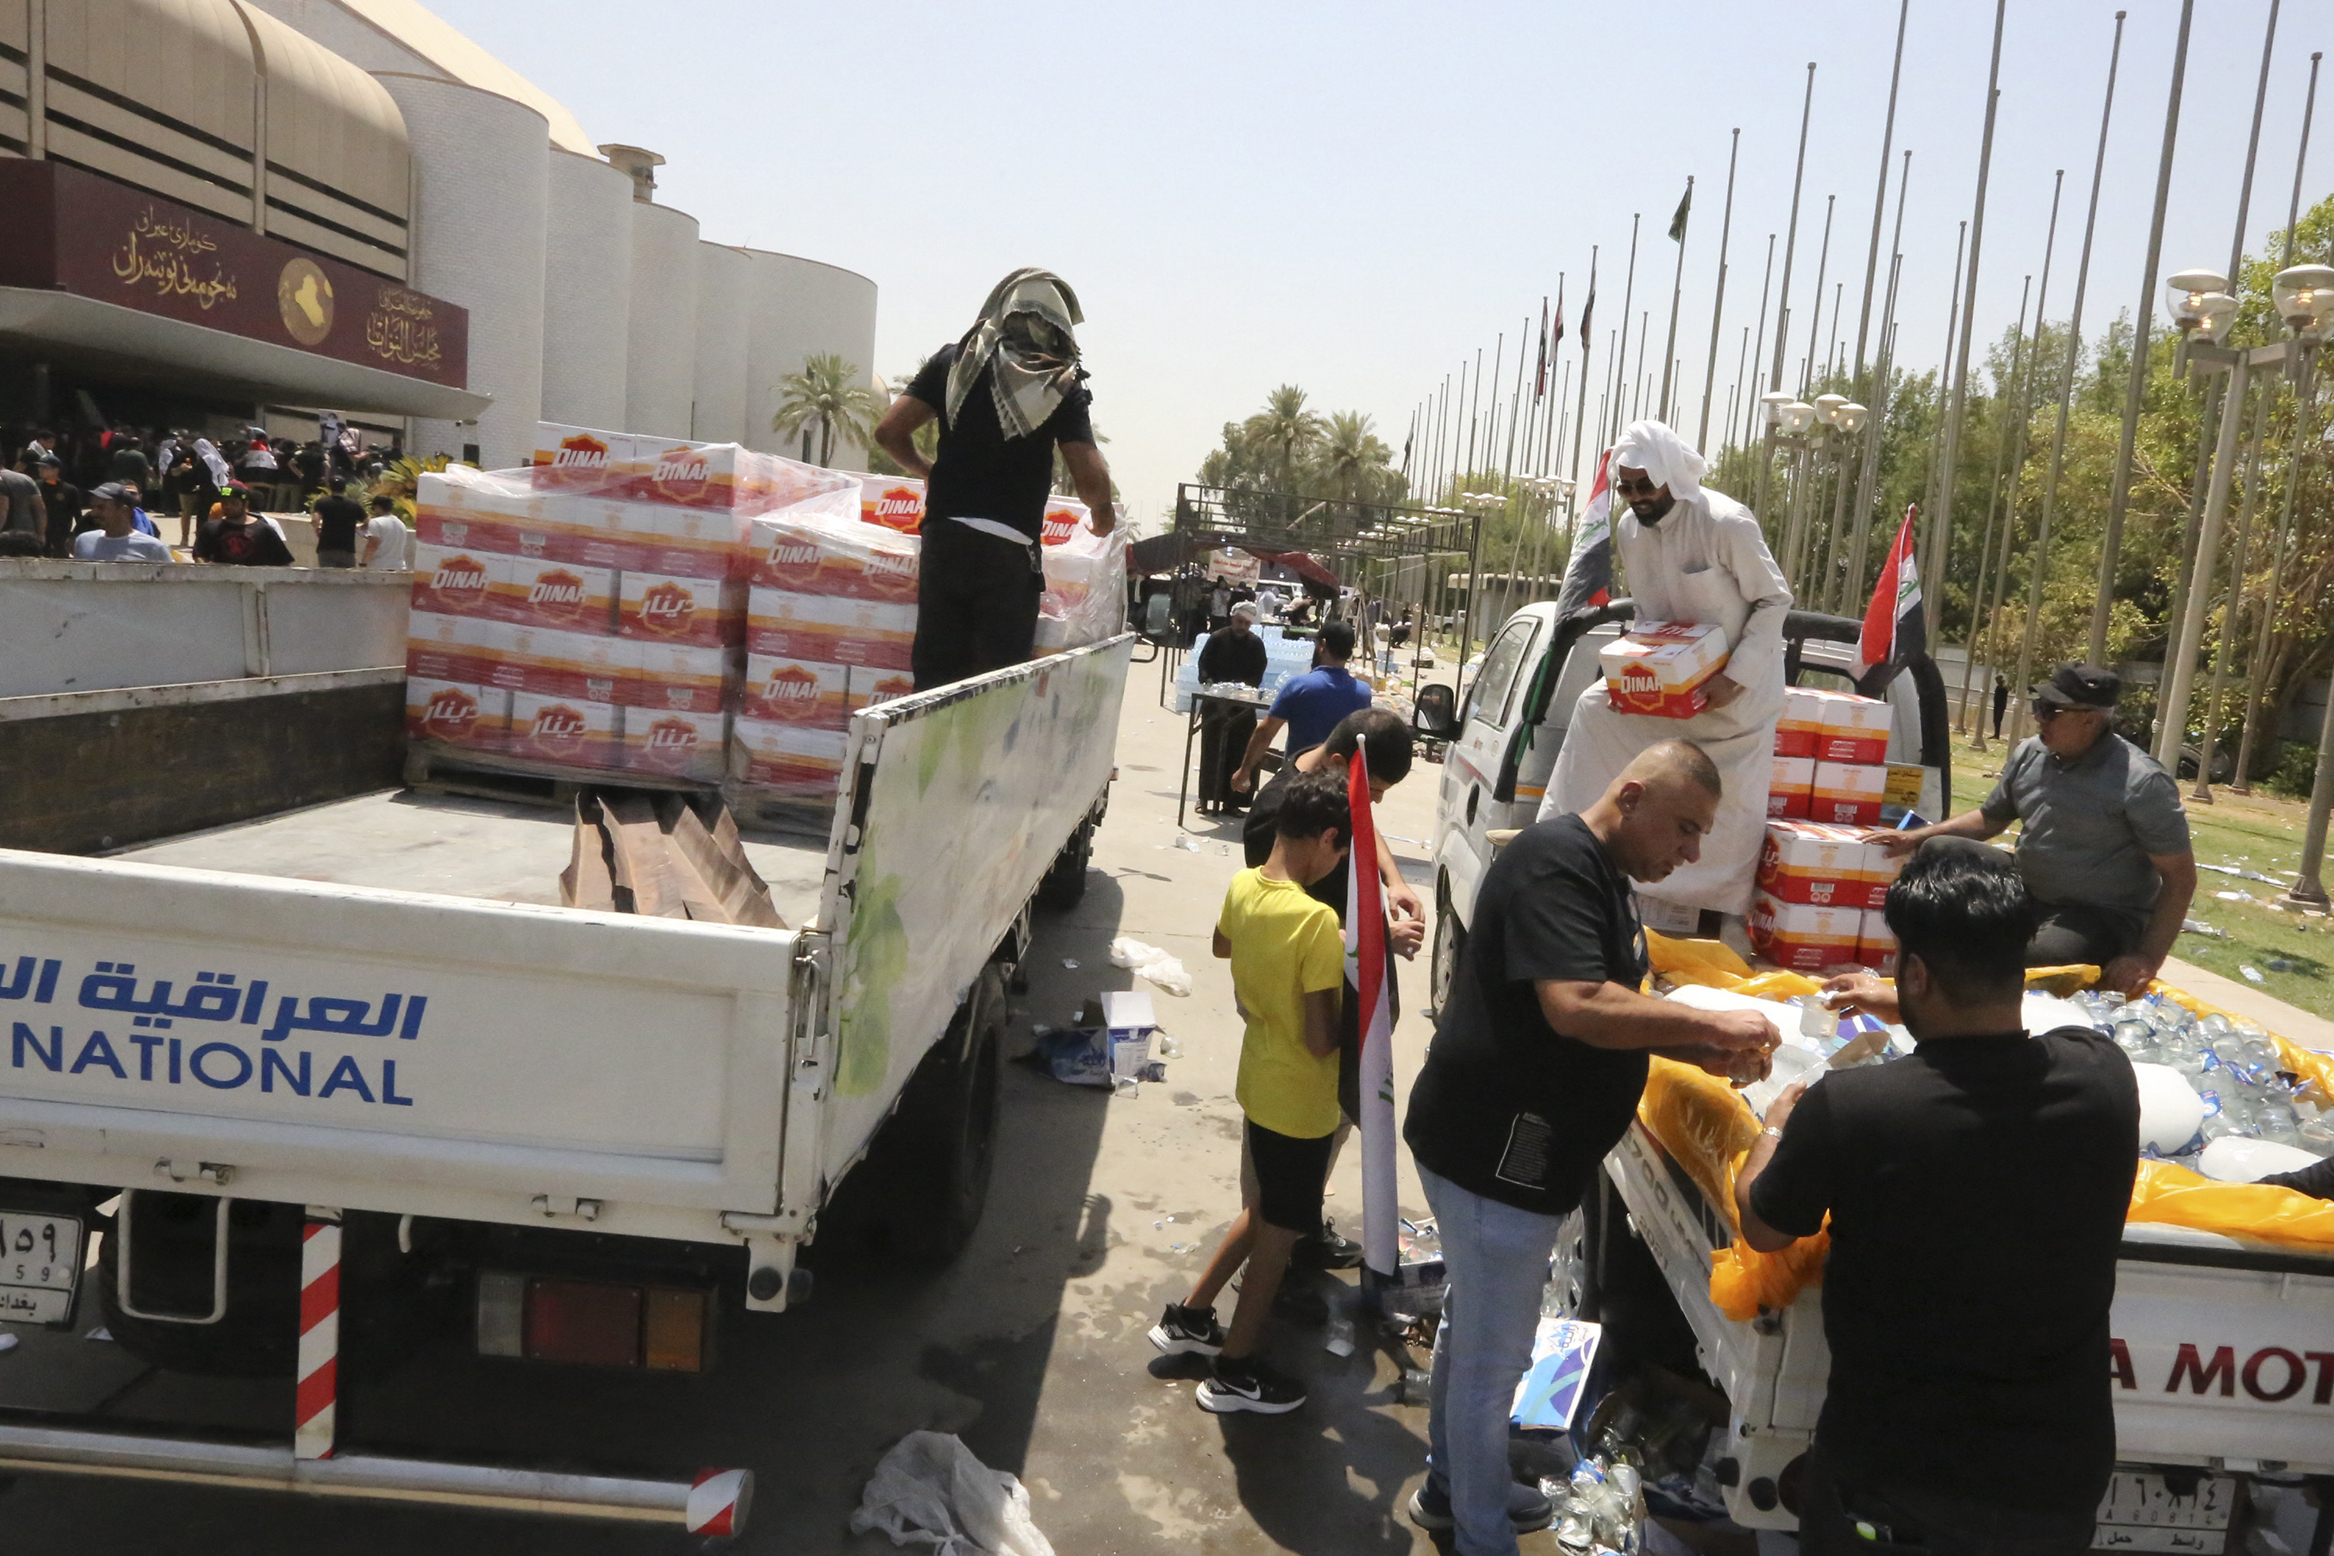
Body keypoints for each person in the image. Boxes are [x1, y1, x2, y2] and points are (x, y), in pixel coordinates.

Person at [1402, 740, 1776, 1552]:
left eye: (1702, 834)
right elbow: (1575, 1004)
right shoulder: (1557, 865)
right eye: (1685, 827)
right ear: (1631, 796)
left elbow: (1614, 1005)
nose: (1692, 851)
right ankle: (1479, 1534)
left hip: (1513, 1156)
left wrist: (1695, 1050)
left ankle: (1450, 1488)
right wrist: (1712, 1024)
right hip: (1491, 1156)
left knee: (1477, 1335)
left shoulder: (1605, 875)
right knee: (1489, 1365)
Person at [1739, 846, 2139, 1554]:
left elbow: (1765, 1226)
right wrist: (1913, 998)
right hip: (2050, 1487)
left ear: (1917, 972)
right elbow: (2030, 1032)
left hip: (1896, 1484)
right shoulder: (2106, 1079)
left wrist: (1775, 1126)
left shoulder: (1853, 1109)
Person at [1148, 770, 1351, 1415]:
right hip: (1300, 1098)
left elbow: (1219, 944)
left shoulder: (1243, 886)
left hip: (1259, 1078)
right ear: (1325, 837)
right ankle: (1235, 1369)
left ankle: (1190, 1315)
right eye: (1340, 850)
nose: (1337, 864)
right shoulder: (1317, 921)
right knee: (1281, 1235)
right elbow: (1323, 1039)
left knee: (1264, 1207)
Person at [1538, 419, 1792, 925]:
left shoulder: (1726, 522)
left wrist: (1733, 678)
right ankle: (1559, 845)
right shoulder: (1630, 529)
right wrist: (1634, 672)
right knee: (1594, 707)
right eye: (1626, 488)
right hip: (1672, 690)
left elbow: (1773, 601)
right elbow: (1649, 617)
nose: (1635, 498)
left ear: (1671, 477)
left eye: (1643, 486)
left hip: (1733, 703)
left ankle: (1717, 920)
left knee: (1726, 820)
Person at [1868, 663, 2195, 997]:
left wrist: (2145, 957)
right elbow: (1989, 820)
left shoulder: (2141, 782)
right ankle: (1919, 968)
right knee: (1938, 852)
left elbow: (2180, 878)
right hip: (2027, 889)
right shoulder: (2031, 753)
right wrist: (1915, 837)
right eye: (2038, 706)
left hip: (2099, 915)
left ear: (2091, 719)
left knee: (2035, 962)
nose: (2039, 718)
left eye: (2050, 711)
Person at [1243, 707, 1427, 1267]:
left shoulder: (1337, 795)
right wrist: (1378, 937)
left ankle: (1299, 1229)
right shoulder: (1279, 815)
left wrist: (1393, 880)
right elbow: (1284, 926)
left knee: (1338, 1119)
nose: (1371, 805)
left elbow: (1364, 826)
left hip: (1355, 1002)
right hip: (1310, 1013)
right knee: (1284, 1140)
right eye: (1370, 789)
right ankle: (1268, 1251)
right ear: (1344, 764)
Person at [873, 268, 1117, 690]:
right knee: (993, 691)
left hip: (945, 540)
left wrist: (929, 471)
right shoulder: (1057, 382)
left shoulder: (954, 361)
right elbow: (1089, 479)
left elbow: (889, 432)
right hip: (1010, 552)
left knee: (934, 681)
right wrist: (1103, 511)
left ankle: (927, 755)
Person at [1230, 620, 1374, 795]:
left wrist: (1245, 770)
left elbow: (1265, 732)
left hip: (1299, 783)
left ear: (1322, 645)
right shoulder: (1363, 692)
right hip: (1340, 788)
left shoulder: (1299, 686)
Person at [1196, 600, 1270, 812]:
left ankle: (1234, 802)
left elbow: (1258, 673)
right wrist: (1209, 681)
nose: (1242, 627)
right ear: (1232, 618)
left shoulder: (1256, 644)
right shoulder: (1217, 638)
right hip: (1216, 705)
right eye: (1239, 622)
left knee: (1240, 753)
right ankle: (1205, 798)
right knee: (1212, 751)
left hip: (1242, 706)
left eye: (1247, 624)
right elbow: (1204, 666)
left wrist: (1244, 690)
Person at [194, 483, 294, 566]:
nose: (228, 506)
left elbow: (283, 561)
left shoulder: (263, 530)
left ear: (245, 504)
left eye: (233, 503)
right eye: (224, 503)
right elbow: (200, 555)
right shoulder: (211, 528)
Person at [71, 484, 174, 563]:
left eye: (101, 507)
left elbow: (171, 586)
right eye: (93, 507)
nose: (93, 513)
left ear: (124, 511)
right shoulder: (83, 541)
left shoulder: (153, 548)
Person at [310, 478, 366, 568]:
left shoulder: (322, 502)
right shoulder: (353, 504)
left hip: (326, 546)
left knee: (326, 577)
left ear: (330, 488)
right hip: (347, 548)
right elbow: (368, 521)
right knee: (345, 578)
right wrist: (361, 528)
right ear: (344, 488)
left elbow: (315, 520)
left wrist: (317, 529)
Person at [362, 494, 411, 569]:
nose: (373, 512)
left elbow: (373, 544)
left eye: (373, 508)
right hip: (399, 566)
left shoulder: (375, 522)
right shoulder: (401, 524)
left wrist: (364, 563)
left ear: (378, 507)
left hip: (380, 566)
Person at [0, 461, 40, 540]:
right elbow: (40, 508)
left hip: (4, 535)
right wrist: (41, 533)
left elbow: (3, 508)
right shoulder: (26, 479)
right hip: (26, 531)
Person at [1991, 672, 2010, 740]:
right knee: (1995, 720)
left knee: (1998, 720)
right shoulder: (1998, 687)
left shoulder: (2003, 688)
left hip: (2000, 706)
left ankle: (1997, 735)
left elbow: (2003, 698)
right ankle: (1996, 734)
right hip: (1996, 705)